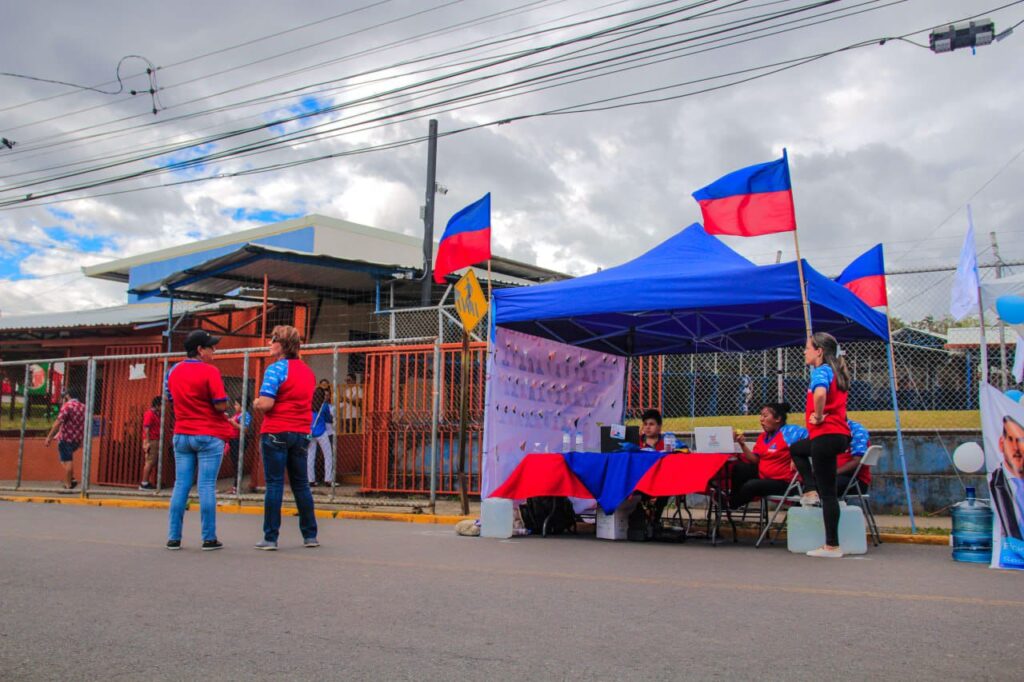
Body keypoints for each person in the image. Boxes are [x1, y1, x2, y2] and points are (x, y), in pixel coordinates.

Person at [165, 329, 233, 551]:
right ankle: (209, 538)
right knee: (206, 485)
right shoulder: (210, 371)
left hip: (182, 433)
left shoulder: (173, 371)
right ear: (200, 350)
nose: (214, 350)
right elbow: (220, 404)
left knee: (181, 485)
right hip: (208, 434)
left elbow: (170, 398)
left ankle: (174, 537)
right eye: (211, 347)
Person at [253, 325, 319, 551]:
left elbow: (266, 403)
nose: (269, 343)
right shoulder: (308, 372)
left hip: (276, 430)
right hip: (301, 432)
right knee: (301, 484)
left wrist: (256, 402)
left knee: (274, 483)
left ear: (282, 345)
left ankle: (270, 537)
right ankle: (310, 535)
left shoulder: (275, 369)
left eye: (273, 339)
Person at [789, 332, 852, 559]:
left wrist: (817, 415)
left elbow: (820, 394)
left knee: (828, 495)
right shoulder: (837, 372)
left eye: (808, 348)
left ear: (819, 351)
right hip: (838, 436)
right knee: (797, 448)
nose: (804, 352)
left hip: (825, 435)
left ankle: (831, 545)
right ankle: (810, 488)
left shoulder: (822, 371)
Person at [728, 402, 807, 509]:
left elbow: (811, 438)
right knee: (739, 468)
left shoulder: (790, 432)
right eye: (761, 415)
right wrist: (742, 444)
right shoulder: (762, 437)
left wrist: (798, 454)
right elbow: (755, 460)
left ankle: (730, 505)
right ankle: (730, 500)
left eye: (765, 416)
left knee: (751, 485)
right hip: (765, 476)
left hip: (784, 482)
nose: (761, 419)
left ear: (778, 419)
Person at [990, 415, 1024, 542]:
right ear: (1001, 443)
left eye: (1020, 440)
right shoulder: (996, 481)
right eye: (1010, 439)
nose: (1015, 448)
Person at [44, 390, 86, 490]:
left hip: (66, 437)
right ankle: (71, 479)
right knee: (65, 460)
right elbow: (84, 423)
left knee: (67, 461)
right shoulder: (83, 407)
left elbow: (58, 422)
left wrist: (49, 436)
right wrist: (82, 439)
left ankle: (68, 484)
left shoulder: (67, 406)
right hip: (77, 438)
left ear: (68, 395)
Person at [307, 385, 335, 486]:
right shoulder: (324, 406)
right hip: (322, 432)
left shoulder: (308, 405)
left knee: (310, 456)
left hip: (310, 432)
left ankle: (310, 480)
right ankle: (328, 479)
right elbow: (328, 419)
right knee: (328, 455)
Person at [836, 419, 871, 496]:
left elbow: (857, 461)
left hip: (854, 480)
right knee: (811, 484)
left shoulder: (856, 430)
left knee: (823, 485)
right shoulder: (824, 430)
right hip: (832, 476)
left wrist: (831, 473)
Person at [225, 399, 252, 495]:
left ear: (242, 405)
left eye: (236, 404)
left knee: (237, 464)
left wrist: (233, 423)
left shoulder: (245, 415)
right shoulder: (237, 414)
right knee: (235, 463)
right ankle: (235, 487)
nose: (234, 406)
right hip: (233, 440)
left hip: (238, 440)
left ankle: (237, 487)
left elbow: (245, 429)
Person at [139, 396, 162, 490]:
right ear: (157, 405)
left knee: (152, 461)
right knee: (150, 461)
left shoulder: (156, 414)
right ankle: (144, 483)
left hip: (155, 439)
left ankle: (146, 481)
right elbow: (146, 428)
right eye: (161, 405)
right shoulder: (149, 414)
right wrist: (147, 441)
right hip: (152, 440)